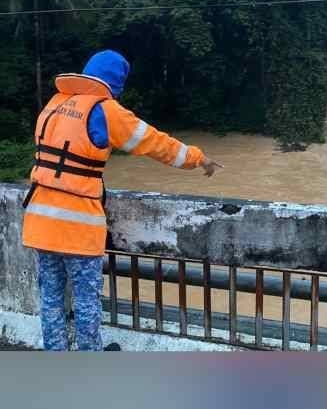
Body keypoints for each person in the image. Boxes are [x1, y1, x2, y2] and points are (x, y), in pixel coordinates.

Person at [20, 50, 222, 351]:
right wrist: (199, 158)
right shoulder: (106, 111)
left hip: (38, 223)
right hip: (78, 229)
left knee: (50, 299)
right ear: (115, 85)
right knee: (87, 303)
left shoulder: (54, 104)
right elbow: (155, 143)